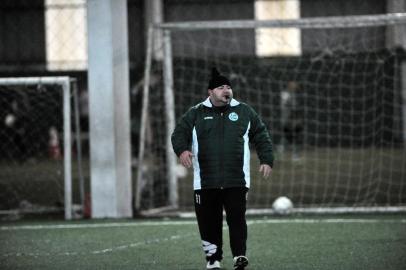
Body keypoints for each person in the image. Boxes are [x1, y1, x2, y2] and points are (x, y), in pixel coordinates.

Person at [171, 68, 273, 270]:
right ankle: (213, 260)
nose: (227, 90)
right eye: (221, 87)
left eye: (229, 87)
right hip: (205, 181)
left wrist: (267, 159)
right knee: (209, 222)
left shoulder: (244, 112)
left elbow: (261, 135)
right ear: (210, 92)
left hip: (237, 179)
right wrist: (182, 151)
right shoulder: (196, 113)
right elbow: (178, 134)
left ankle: (239, 256)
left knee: (237, 219)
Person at [279, 81, 303, 160]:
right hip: (288, 119)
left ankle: (294, 154)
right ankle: (290, 153)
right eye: (293, 85)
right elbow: (291, 106)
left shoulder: (294, 95)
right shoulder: (285, 94)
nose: (295, 87)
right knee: (290, 137)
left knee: (293, 137)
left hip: (292, 119)